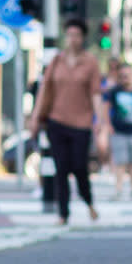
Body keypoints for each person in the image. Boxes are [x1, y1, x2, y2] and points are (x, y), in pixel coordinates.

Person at [32, 21, 104, 224]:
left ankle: (89, 202)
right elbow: (44, 91)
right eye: (69, 35)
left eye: (77, 35)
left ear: (83, 38)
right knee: (61, 168)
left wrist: (99, 120)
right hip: (57, 121)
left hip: (81, 123)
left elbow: (96, 93)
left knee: (80, 166)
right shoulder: (56, 61)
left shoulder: (90, 62)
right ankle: (63, 213)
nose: (72, 39)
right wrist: (36, 117)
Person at [104, 57, 132, 201]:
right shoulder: (115, 91)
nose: (125, 78)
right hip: (119, 131)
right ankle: (118, 189)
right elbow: (107, 107)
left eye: (127, 75)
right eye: (122, 76)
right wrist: (108, 125)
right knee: (120, 162)